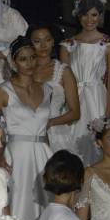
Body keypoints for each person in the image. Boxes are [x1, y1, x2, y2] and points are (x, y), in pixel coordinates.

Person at [0, 36, 52, 220]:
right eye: (23, 59)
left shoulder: (47, 89)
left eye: (32, 57)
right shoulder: (4, 90)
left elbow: (45, 130)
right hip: (17, 155)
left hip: (43, 153)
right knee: (19, 203)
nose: (29, 63)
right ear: (14, 62)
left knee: (46, 203)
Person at [60, 0, 110, 165]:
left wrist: (107, 116)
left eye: (93, 15)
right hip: (73, 98)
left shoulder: (109, 43)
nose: (89, 20)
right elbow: (64, 81)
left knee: (97, 147)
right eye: (84, 15)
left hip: (97, 98)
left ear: (100, 16)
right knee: (72, 147)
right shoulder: (68, 45)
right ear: (79, 16)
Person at [29, 23, 80, 153]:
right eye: (37, 41)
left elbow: (75, 113)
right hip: (28, 131)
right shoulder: (25, 71)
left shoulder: (64, 71)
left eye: (47, 40)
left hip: (56, 133)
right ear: (30, 44)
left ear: (53, 42)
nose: (43, 45)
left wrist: (50, 123)